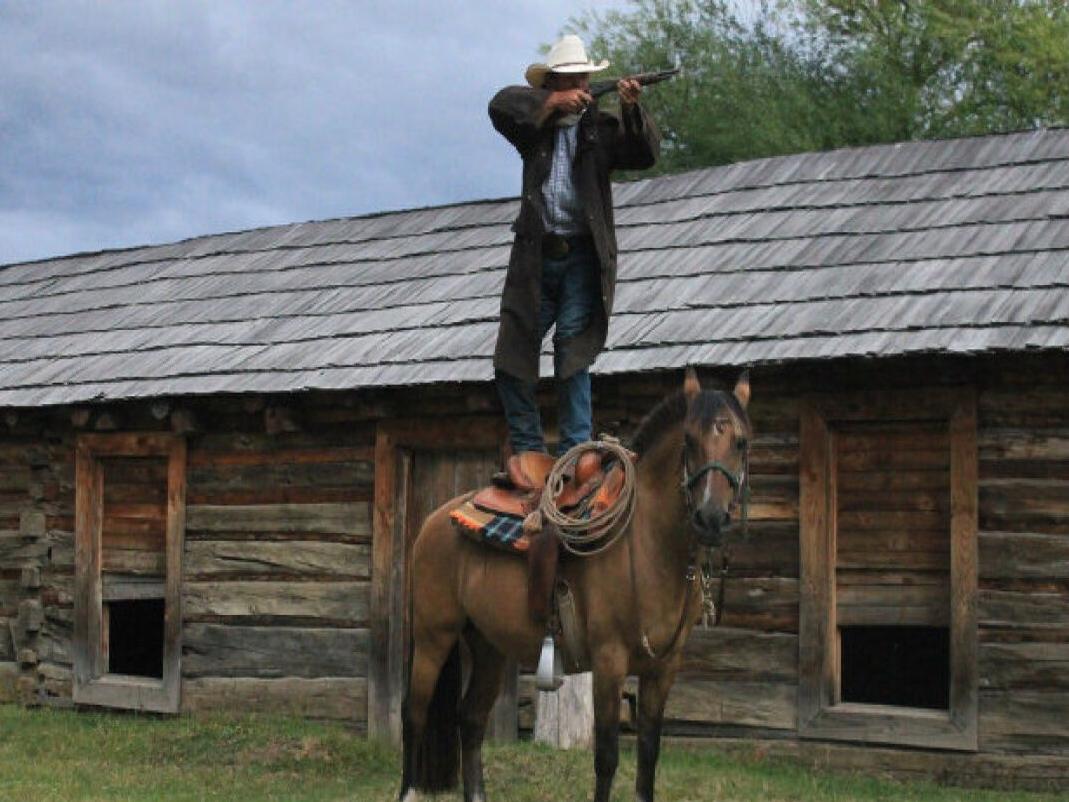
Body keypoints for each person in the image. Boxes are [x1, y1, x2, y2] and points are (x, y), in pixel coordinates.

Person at [489, 34, 660, 459]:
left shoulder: (600, 131)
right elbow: (500, 105)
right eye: (569, 81)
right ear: (552, 86)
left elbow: (644, 153)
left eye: (582, 80)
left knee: (572, 345)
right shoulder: (533, 129)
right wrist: (551, 106)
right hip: (535, 260)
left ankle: (574, 452)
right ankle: (528, 450)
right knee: (511, 357)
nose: (580, 88)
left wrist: (630, 106)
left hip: (582, 259)